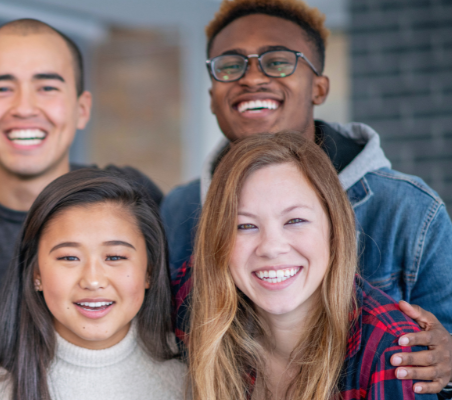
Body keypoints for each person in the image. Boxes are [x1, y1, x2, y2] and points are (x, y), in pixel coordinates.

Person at [159, 0, 452, 392]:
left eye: (278, 61)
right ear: (212, 95)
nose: (251, 77)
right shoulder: (180, 209)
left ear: (319, 86)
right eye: (230, 66)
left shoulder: (408, 209)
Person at [0, 18, 164, 330]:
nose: (24, 107)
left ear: (81, 109)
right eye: (3, 88)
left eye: (47, 87)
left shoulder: (133, 200)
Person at [177, 132, 430, 399]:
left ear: (334, 228)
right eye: (245, 226)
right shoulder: (191, 307)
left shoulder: (391, 352)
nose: (271, 247)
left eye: (295, 220)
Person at [0, 169, 184, 400]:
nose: (93, 281)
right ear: (36, 274)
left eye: (115, 257)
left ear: (149, 272)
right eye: (69, 258)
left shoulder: (193, 374)